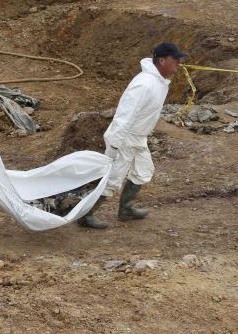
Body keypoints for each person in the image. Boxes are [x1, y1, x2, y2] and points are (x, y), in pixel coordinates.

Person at [79, 42, 185, 229]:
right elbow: (124, 114)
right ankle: (86, 215)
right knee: (113, 178)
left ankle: (126, 209)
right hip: (125, 137)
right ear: (162, 61)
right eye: (175, 59)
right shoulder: (144, 84)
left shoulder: (158, 81)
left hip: (138, 137)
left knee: (143, 171)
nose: (179, 62)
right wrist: (114, 144)